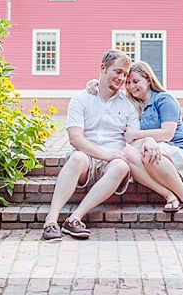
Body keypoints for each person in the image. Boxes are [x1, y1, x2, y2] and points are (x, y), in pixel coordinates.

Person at [41, 49, 140, 242]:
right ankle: (51, 221)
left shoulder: (128, 105)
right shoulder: (81, 99)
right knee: (77, 157)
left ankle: (75, 219)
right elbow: (75, 139)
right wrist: (105, 155)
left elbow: (134, 138)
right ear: (103, 68)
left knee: (121, 165)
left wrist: (150, 142)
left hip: (112, 163)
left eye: (125, 74)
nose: (121, 78)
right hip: (86, 159)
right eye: (117, 71)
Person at [88, 61, 183, 213]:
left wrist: (138, 136)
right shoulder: (132, 104)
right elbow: (110, 93)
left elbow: (167, 133)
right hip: (152, 153)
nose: (131, 86)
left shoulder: (164, 99)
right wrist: (95, 83)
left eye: (136, 81)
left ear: (149, 80)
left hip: (179, 152)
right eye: (128, 82)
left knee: (149, 151)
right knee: (128, 154)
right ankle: (168, 194)